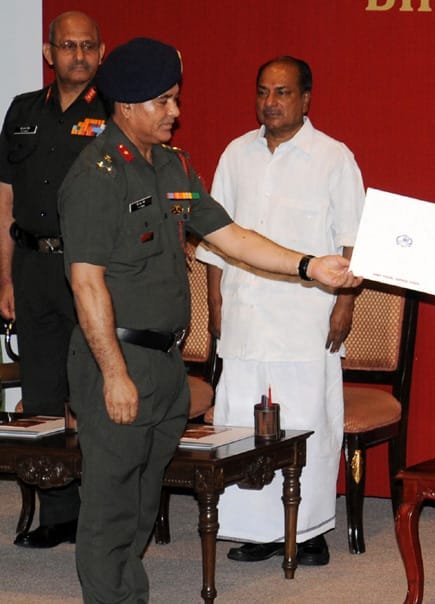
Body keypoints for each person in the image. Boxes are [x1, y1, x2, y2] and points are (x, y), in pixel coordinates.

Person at [57, 38, 360, 603]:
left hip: (164, 362)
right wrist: (114, 374)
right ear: (126, 105)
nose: (176, 111)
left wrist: (308, 265)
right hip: (117, 361)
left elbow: (232, 237)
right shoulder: (97, 175)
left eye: (176, 99)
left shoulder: (170, 166)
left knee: (144, 500)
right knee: (111, 504)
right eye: (164, 101)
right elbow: (86, 283)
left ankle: (130, 593)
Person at [195, 55, 365, 566]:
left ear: (306, 98)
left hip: (306, 318)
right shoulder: (235, 154)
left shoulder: (334, 158)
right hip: (245, 317)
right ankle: (258, 528)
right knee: (242, 425)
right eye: (264, 92)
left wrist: (344, 305)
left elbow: (354, 244)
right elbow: (213, 237)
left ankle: (308, 531)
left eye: (283, 93)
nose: (271, 102)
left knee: (307, 420)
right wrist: (215, 300)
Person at [0, 10, 107, 549]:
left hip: (93, 271)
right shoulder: (21, 111)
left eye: (88, 45)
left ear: (101, 51)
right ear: (50, 53)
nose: (79, 55)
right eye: (68, 46)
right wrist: (5, 278)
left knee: (95, 391)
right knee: (41, 392)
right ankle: (58, 513)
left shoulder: (118, 111)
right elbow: (5, 200)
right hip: (34, 268)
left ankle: (102, 515)